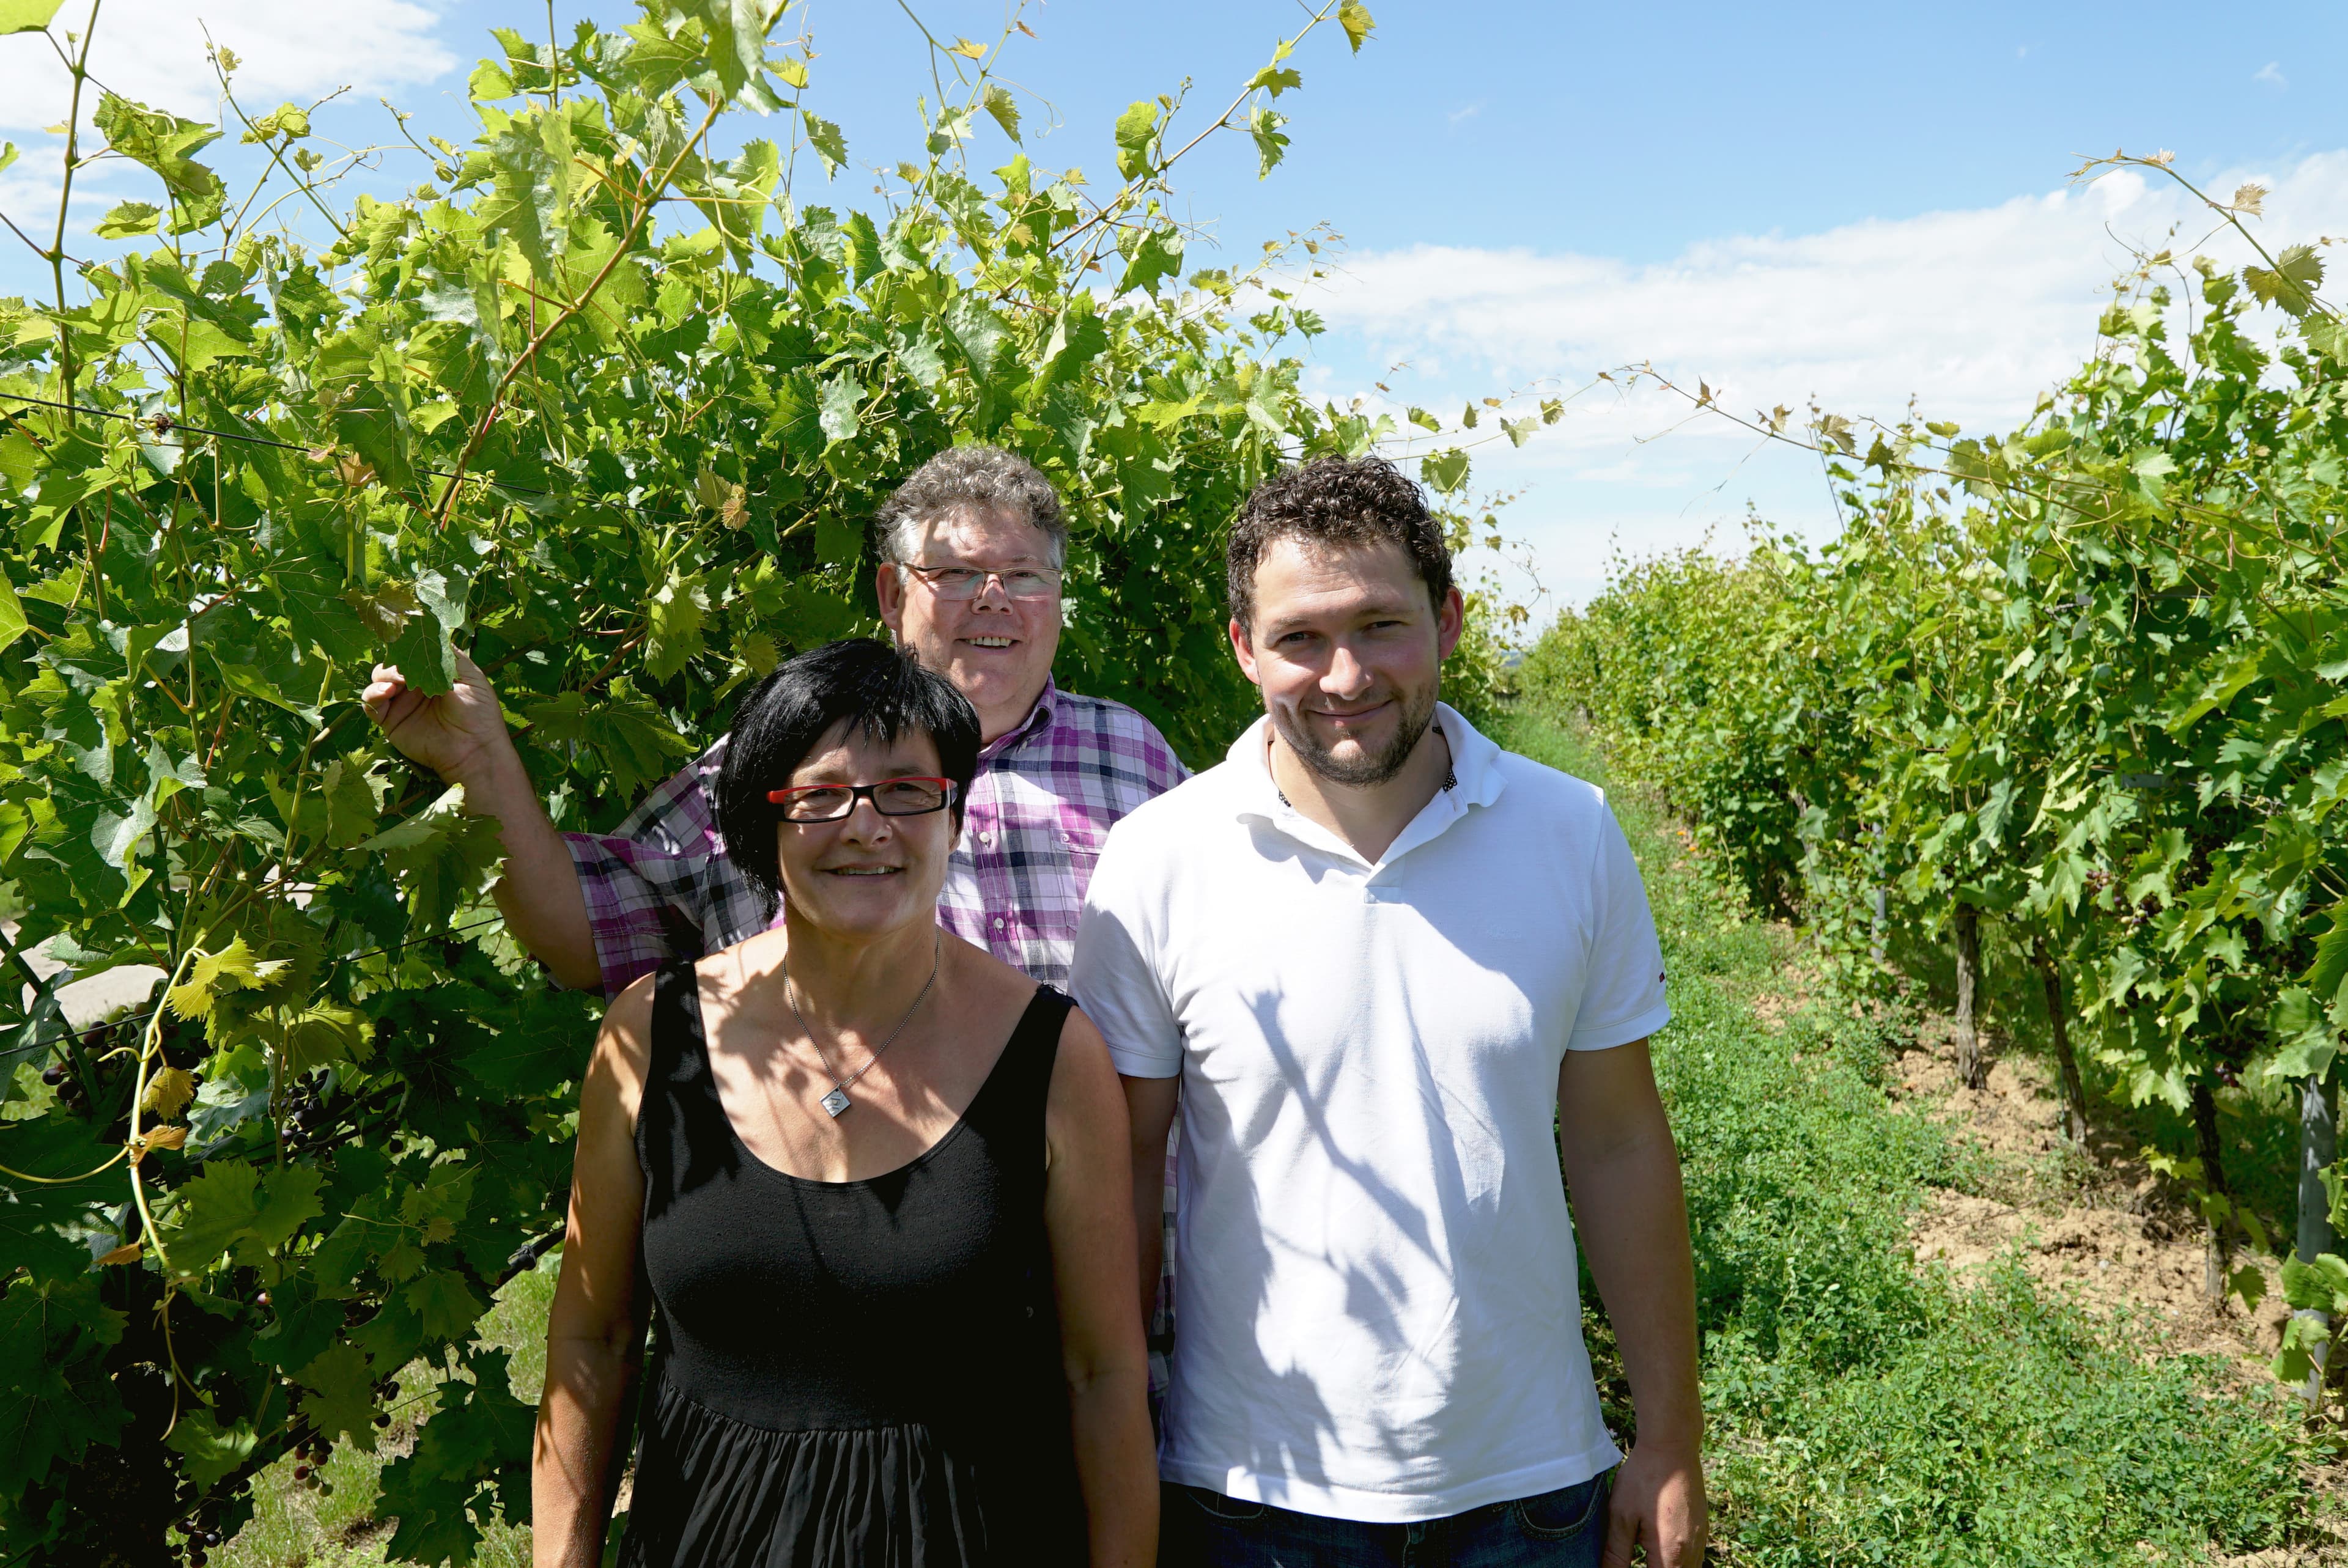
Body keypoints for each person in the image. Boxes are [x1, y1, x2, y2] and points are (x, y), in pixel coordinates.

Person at [1071, 456, 1708, 1567]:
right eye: (1301, 638)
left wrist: (1672, 1437)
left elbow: (1616, 1139)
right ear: (1242, 649)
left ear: (1449, 621)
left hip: (1530, 1486)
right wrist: (1114, 1453)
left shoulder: (1572, 831)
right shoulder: (1159, 858)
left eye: (1382, 625)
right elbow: (1122, 1170)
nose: (1345, 673)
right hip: (1249, 1494)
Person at [533, 638, 1156, 1568]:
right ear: (760, 822)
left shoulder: (1055, 1055)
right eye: (821, 794)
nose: (867, 827)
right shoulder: (648, 1034)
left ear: (953, 815)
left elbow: (1101, 1374)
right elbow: (595, 1338)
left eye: (908, 789)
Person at [361, 445, 1188, 996]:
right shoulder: (788, 756)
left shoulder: (1136, 758)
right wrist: (482, 762)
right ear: (893, 596)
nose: (995, 598)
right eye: (958, 572)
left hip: (1111, 1226)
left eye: (1024, 575)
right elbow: (585, 931)